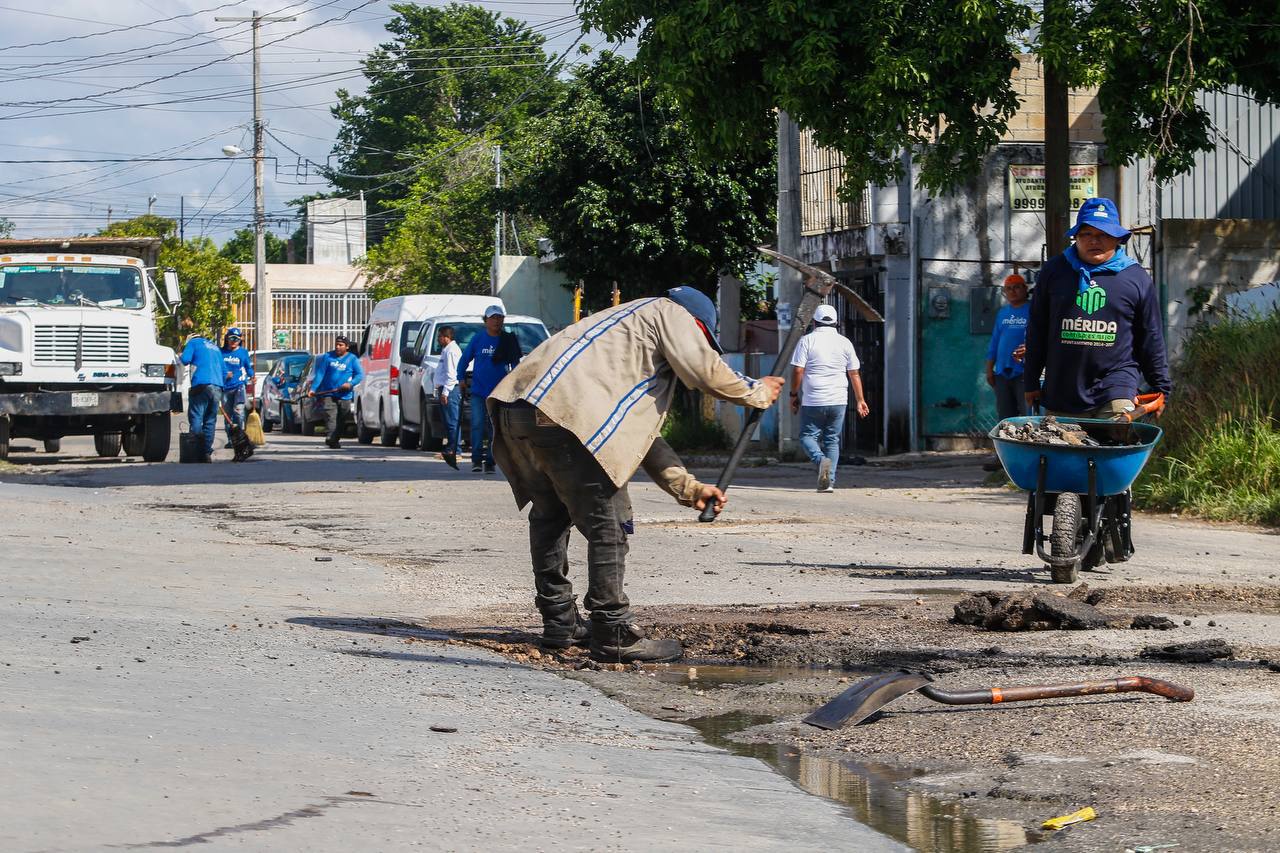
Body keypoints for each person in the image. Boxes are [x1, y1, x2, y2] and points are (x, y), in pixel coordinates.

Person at [488, 287, 784, 663]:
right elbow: (706, 370)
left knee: (550, 516)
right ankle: (612, 631)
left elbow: (641, 437)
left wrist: (690, 490)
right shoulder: (669, 313)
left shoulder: (621, 336)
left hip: (517, 410)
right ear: (697, 326)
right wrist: (756, 392)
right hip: (564, 416)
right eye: (703, 339)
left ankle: (560, 622)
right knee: (609, 525)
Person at [1022, 197, 1172, 420]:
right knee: (1064, 451)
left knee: (1115, 439)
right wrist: (1031, 379)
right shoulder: (1054, 272)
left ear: (1117, 238)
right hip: (1062, 389)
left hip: (1116, 385)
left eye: (1103, 234)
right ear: (1076, 237)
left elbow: (1151, 336)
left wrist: (1161, 387)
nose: (1095, 241)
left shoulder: (1135, 278)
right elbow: (1037, 329)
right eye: (1087, 234)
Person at [789, 304, 870, 493]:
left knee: (807, 436)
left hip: (814, 399)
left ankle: (820, 460)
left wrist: (793, 394)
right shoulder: (845, 343)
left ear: (814, 322)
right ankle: (829, 482)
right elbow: (854, 373)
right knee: (832, 440)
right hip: (839, 399)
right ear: (836, 323)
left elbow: (798, 370)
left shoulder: (807, 341)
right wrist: (860, 399)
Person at [457, 305, 521, 474]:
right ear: (486, 321)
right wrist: (461, 378)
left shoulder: (507, 340)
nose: (496, 321)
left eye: (499, 317)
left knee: (495, 428)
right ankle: (477, 459)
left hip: (499, 393)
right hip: (478, 391)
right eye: (493, 318)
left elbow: (515, 364)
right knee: (477, 425)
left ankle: (491, 461)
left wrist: (516, 382)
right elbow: (464, 360)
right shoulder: (478, 339)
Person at [986, 274, 1030, 420]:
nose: (1012, 291)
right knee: (1005, 418)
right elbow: (994, 341)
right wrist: (989, 369)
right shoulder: (1002, 313)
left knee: (1027, 416)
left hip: (1025, 372)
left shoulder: (1034, 310)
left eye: (1017, 287)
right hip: (1002, 373)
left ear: (1025, 289)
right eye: (1008, 289)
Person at [308, 335, 365, 448]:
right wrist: (313, 389)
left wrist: (350, 384)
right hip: (328, 393)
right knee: (331, 416)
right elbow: (320, 374)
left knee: (342, 417)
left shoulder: (352, 359)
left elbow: (359, 375)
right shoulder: (328, 357)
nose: (338, 347)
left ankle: (335, 437)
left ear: (347, 346)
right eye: (336, 345)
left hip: (345, 394)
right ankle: (331, 437)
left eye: (341, 345)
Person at [179, 326, 225, 463]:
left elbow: (185, 360)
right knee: (210, 420)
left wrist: (182, 355)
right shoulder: (215, 348)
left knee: (196, 417)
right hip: (217, 386)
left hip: (201, 385)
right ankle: (206, 453)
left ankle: (196, 451)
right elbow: (224, 371)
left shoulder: (193, 343)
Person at [432, 325, 463, 470]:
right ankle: (451, 448)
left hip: (450, 390)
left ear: (446, 337)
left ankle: (455, 451)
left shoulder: (451, 351)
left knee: (452, 421)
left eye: (439, 337)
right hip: (444, 389)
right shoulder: (446, 350)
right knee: (448, 421)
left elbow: (452, 374)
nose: (438, 340)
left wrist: (445, 392)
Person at [220, 327, 253, 448]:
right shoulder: (221, 352)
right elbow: (217, 367)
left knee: (239, 413)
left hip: (239, 386)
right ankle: (231, 440)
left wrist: (252, 376)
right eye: (231, 338)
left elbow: (248, 367)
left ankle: (241, 437)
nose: (234, 341)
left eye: (237, 339)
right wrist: (225, 375)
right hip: (225, 388)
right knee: (227, 415)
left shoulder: (243, 352)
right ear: (227, 339)